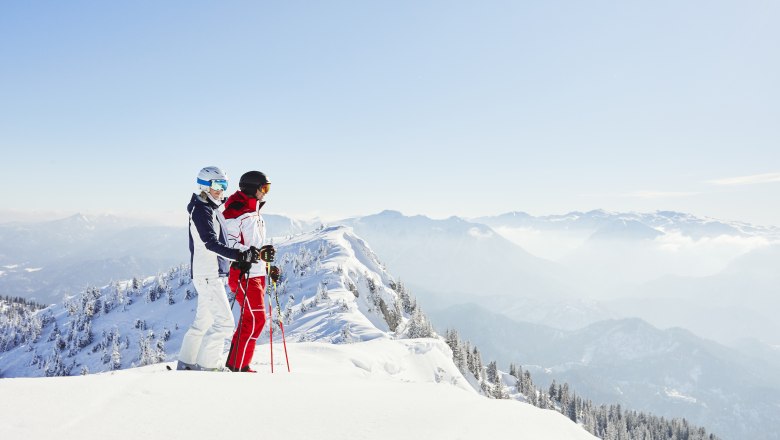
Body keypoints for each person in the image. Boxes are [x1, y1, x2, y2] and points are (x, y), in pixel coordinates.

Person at [178, 166, 259, 371]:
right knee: (225, 323)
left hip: (209, 273)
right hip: (208, 274)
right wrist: (240, 255)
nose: (221, 189)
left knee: (202, 322)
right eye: (216, 185)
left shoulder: (211, 208)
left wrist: (242, 254)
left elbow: (221, 242)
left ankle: (186, 364)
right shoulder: (201, 210)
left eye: (224, 185)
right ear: (205, 186)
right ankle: (209, 367)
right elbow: (210, 243)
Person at [222, 170, 281, 373]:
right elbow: (229, 244)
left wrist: (266, 260)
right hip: (242, 273)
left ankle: (239, 364)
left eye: (268, 188)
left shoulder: (254, 212)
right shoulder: (235, 212)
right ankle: (237, 366)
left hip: (257, 274)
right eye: (263, 188)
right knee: (255, 319)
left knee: (253, 320)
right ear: (251, 188)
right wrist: (250, 255)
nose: (265, 193)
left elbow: (254, 245)